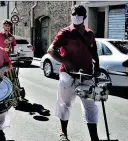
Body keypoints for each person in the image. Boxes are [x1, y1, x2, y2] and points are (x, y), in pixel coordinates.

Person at [47, 5, 100, 141]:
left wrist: (98, 66)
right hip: (68, 75)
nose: (75, 16)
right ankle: (63, 133)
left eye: (79, 14)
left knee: (90, 105)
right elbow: (51, 50)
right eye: (73, 14)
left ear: (85, 17)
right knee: (64, 104)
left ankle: (94, 137)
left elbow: (94, 52)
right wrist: (66, 62)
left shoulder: (89, 34)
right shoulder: (65, 33)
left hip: (87, 75)